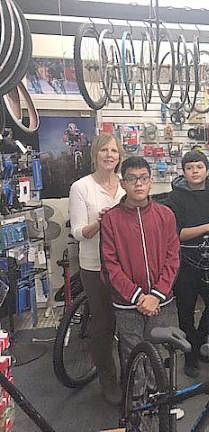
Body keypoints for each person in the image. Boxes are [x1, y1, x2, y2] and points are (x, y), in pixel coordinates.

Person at [99, 157, 180, 371]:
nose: (139, 184)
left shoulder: (166, 215)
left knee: (161, 356)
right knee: (132, 357)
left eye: (143, 178)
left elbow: (173, 257)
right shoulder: (111, 219)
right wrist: (138, 297)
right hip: (127, 304)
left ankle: (161, 402)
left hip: (161, 303)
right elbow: (110, 265)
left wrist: (156, 295)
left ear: (151, 181)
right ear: (122, 182)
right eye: (132, 179)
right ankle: (136, 402)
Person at [69, 133, 124, 405]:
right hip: (95, 266)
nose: (109, 155)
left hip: (125, 266)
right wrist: (100, 223)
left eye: (114, 150)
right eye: (104, 149)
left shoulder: (126, 187)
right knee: (102, 324)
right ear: (95, 154)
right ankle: (108, 379)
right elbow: (79, 233)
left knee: (127, 322)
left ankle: (132, 373)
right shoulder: (82, 187)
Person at [164, 150, 209, 378]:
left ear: (206, 169)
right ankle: (190, 355)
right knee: (185, 311)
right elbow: (177, 234)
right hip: (186, 262)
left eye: (199, 167)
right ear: (183, 171)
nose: (194, 171)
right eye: (190, 167)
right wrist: (208, 227)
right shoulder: (174, 199)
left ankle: (200, 343)